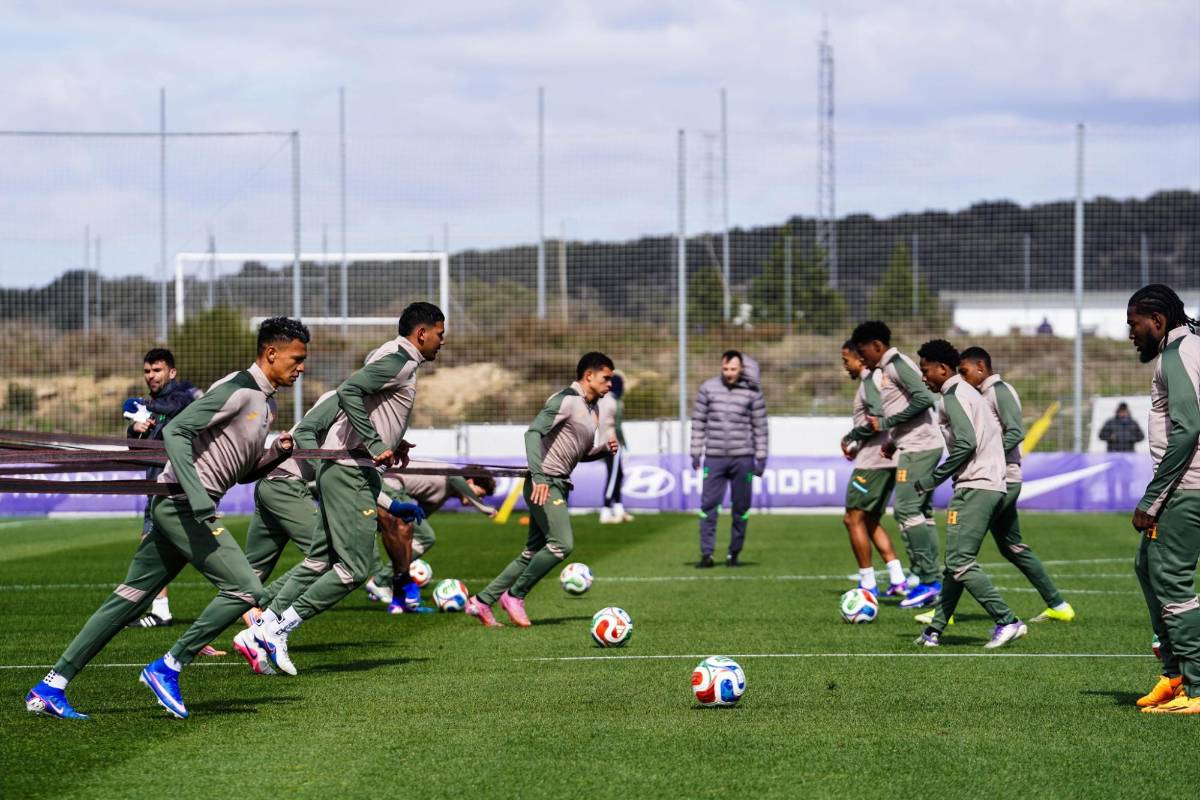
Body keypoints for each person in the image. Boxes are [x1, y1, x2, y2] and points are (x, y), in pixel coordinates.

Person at [24, 317, 310, 719]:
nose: (301, 368)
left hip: (183, 506)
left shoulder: (267, 404)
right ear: (271, 353)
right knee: (248, 590)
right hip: (182, 506)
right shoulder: (238, 389)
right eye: (296, 359)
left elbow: (239, 471)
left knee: (127, 599)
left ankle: (49, 687)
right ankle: (168, 666)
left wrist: (274, 454)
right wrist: (197, 498)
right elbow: (176, 431)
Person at [250, 302, 445, 675]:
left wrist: (393, 439)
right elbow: (351, 391)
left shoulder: (387, 353)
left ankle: (261, 628)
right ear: (422, 333)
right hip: (350, 469)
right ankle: (277, 628)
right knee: (355, 569)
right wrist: (374, 442)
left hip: (348, 467)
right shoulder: (400, 360)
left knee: (320, 560)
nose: (442, 342)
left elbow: (366, 400)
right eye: (440, 334)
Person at [466, 352, 618, 627]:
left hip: (559, 483)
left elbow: (577, 454)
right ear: (589, 376)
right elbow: (532, 432)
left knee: (531, 553)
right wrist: (538, 477)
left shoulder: (592, 410)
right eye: (606, 378)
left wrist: (602, 451)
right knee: (562, 545)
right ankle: (514, 596)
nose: (610, 384)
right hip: (544, 484)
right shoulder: (566, 400)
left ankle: (481, 601)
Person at [912, 339, 1027, 650]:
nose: (923, 378)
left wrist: (932, 479)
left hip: (976, 484)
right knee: (955, 563)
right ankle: (934, 631)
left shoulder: (953, 396)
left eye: (926, 371)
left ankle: (1007, 620)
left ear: (942, 369)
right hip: (987, 482)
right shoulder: (968, 393)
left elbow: (965, 443)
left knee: (961, 562)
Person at [949, 346, 1073, 625]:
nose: (962, 377)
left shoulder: (998, 391)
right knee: (1012, 547)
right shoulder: (982, 394)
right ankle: (1059, 605)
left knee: (962, 550)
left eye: (964, 371)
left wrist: (983, 455)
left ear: (981, 367)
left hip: (1002, 478)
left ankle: (944, 615)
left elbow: (1016, 431)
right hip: (1002, 479)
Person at [1125, 284, 1200, 714]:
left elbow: (1188, 429)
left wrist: (1151, 499)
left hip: (1185, 488)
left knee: (1172, 581)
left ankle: (1196, 683)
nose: (1131, 333)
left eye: (1134, 324)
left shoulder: (1177, 355)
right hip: (1184, 486)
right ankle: (1173, 677)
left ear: (1157, 321)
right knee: (1147, 567)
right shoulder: (1183, 351)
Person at [849, 322, 944, 608]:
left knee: (905, 508)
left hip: (921, 446)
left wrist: (889, 424)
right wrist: (892, 439)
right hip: (911, 444)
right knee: (921, 512)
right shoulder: (885, 370)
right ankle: (925, 575)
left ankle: (929, 581)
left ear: (877, 345)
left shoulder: (896, 364)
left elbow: (926, 398)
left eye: (862, 349)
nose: (860, 355)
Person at [124, 348, 202, 629]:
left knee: (206, 551)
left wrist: (145, 406)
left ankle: (249, 609)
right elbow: (135, 448)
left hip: (180, 487)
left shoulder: (181, 396)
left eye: (156, 371)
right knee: (149, 544)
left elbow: (176, 408)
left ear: (172, 372)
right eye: (147, 371)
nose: (151, 376)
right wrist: (136, 429)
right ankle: (160, 610)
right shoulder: (153, 405)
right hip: (157, 487)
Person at [363, 462, 498, 613]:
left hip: (391, 489)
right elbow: (455, 477)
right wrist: (482, 507)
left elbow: (420, 518)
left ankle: (389, 583)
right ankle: (381, 581)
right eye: (481, 494)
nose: (480, 498)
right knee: (427, 537)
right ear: (470, 481)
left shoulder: (442, 494)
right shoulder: (453, 475)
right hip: (389, 487)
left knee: (416, 537)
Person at [838, 341, 907, 597]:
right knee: (870, 520)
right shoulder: (875, 380)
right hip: (886, 459)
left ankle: (867, 583)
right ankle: (898, 578)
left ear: (861, 359)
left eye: (847, 360)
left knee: (851, 519)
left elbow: (876, 418)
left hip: (873, 464)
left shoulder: (869, 381)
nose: (845, 366)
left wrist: (851, 436)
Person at [690, 350, 768, 568]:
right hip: (714, 458)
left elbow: (760, 428)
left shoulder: (753, 392)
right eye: (725, 369)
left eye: (733, 369)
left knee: (741, 509)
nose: (729, 373)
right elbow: (698, 423)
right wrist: (695, 452)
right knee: (708, 507)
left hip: (743, 458)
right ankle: (707, 554)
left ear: (741, 368)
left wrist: (761, 458)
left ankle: (734, 554)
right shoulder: (708, 388)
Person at [598, 373, 632, 524]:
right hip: (612, 443)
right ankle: (605, 511)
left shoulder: (603, 399)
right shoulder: (614, 402)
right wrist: (624, 445)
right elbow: (616, 427)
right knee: (613, 477)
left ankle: (618, 509)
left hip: (605, 442)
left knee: (618, 474)